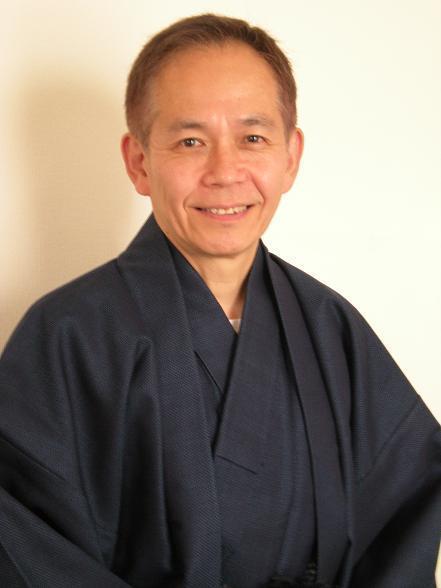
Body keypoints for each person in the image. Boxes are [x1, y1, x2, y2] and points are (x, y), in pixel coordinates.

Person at [0, 13, 439, 588]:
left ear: (291, 156)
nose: (225, 172)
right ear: (139, 162)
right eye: (190, 141)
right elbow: (24, 544)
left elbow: (407, 508)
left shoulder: (332, 328)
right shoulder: (66, 336)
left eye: (253, 138)